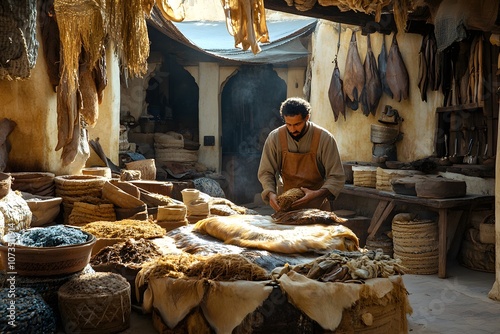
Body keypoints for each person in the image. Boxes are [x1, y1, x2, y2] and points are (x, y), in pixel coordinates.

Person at [258, 97, 345, 211]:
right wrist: (270, 193)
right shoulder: (275, 138)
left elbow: (336, 177)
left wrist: (317, 194)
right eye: (288, 124)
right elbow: (266, 172)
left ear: (307, 118)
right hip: (286, 206)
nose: (293, 129)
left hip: (317, 207)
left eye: (297, 124)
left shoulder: (325, 139)